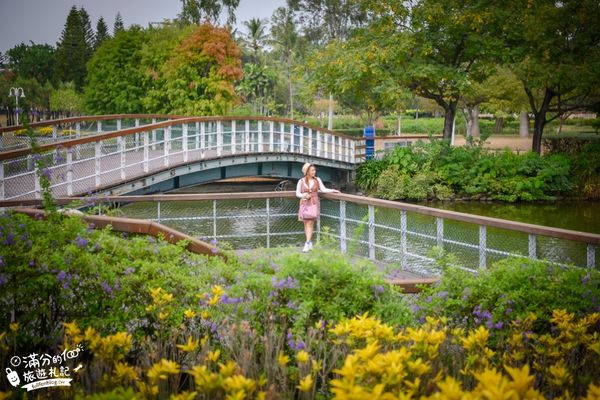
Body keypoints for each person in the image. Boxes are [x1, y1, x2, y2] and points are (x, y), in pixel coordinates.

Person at [296, 162, 340, 252]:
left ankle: (307, 243)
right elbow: (297, 193)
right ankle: (310, 243)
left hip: (314, 203)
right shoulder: (301, 181)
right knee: (306, 223)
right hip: (304, 203)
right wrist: (304, 195)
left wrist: (333, 190)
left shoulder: (317, 180)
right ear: (307, 171)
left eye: (314, 170)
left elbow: (323, 189)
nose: (314, 172)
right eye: (312, 170)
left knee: (310, 223)